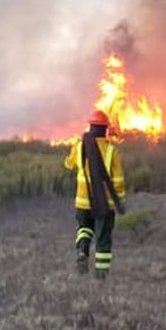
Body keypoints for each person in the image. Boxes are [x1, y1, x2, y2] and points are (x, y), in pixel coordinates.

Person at [64, 111, 126, 279]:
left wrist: (75, 150)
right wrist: (119, 200)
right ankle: (101, 275)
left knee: (84, 229)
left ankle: (82, 251)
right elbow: (118, 180)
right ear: (105, 129)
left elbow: (69, 164)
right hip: (103, 204)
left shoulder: (79, 147)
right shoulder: (111, 150)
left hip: (82, 203)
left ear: (90, 127)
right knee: (103, 237)